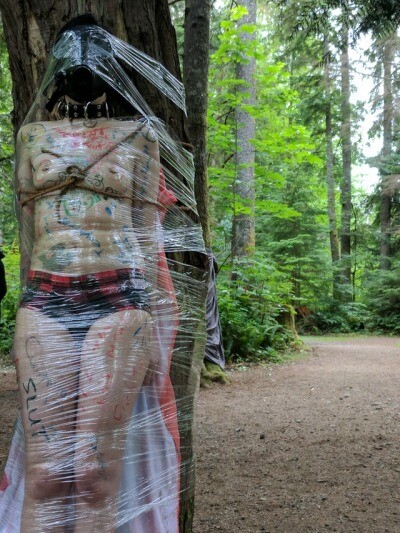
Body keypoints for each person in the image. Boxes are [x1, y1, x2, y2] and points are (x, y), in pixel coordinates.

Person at [0, 15, 206, 532]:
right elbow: (30, 233)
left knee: (95, 476)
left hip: (119, 301)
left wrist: (161, 326)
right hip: (45, 299)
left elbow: (147, 234)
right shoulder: (31, 136)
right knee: (46, 477)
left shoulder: (139, 134)